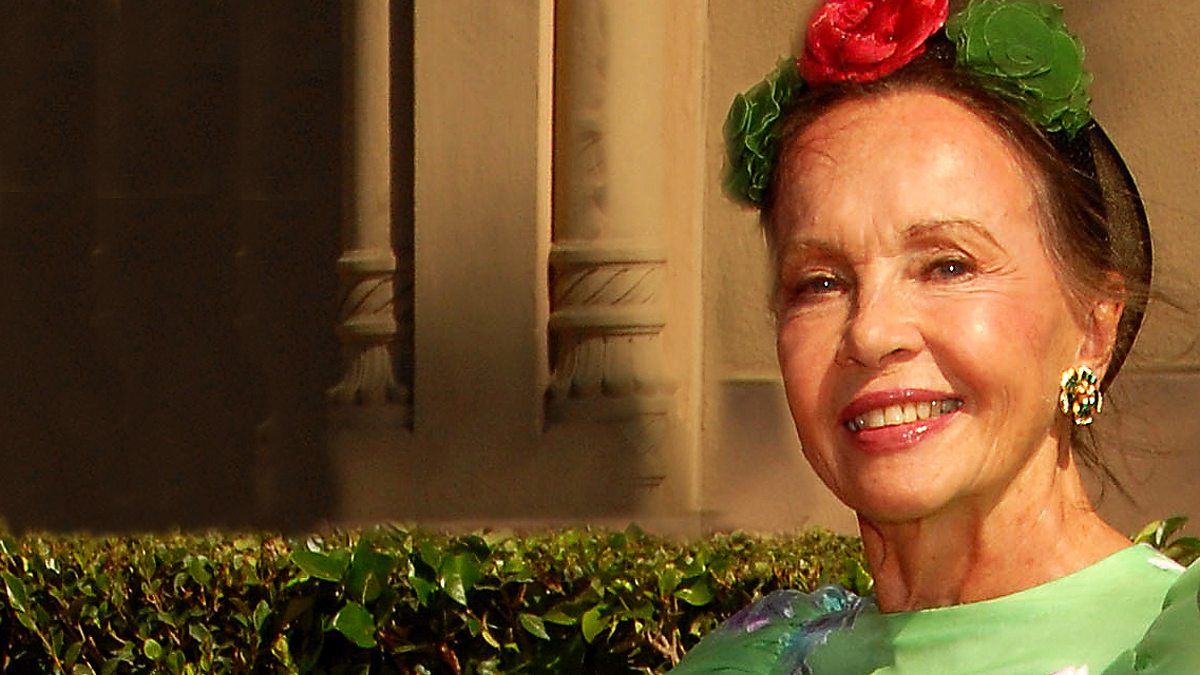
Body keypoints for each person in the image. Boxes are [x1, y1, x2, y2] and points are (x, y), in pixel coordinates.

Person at [672, 0, 1199, 673]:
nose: (871, 330)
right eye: (820, 282)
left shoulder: (1171, 641)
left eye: (948, 266)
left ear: (1094, 329)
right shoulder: (754, 659)